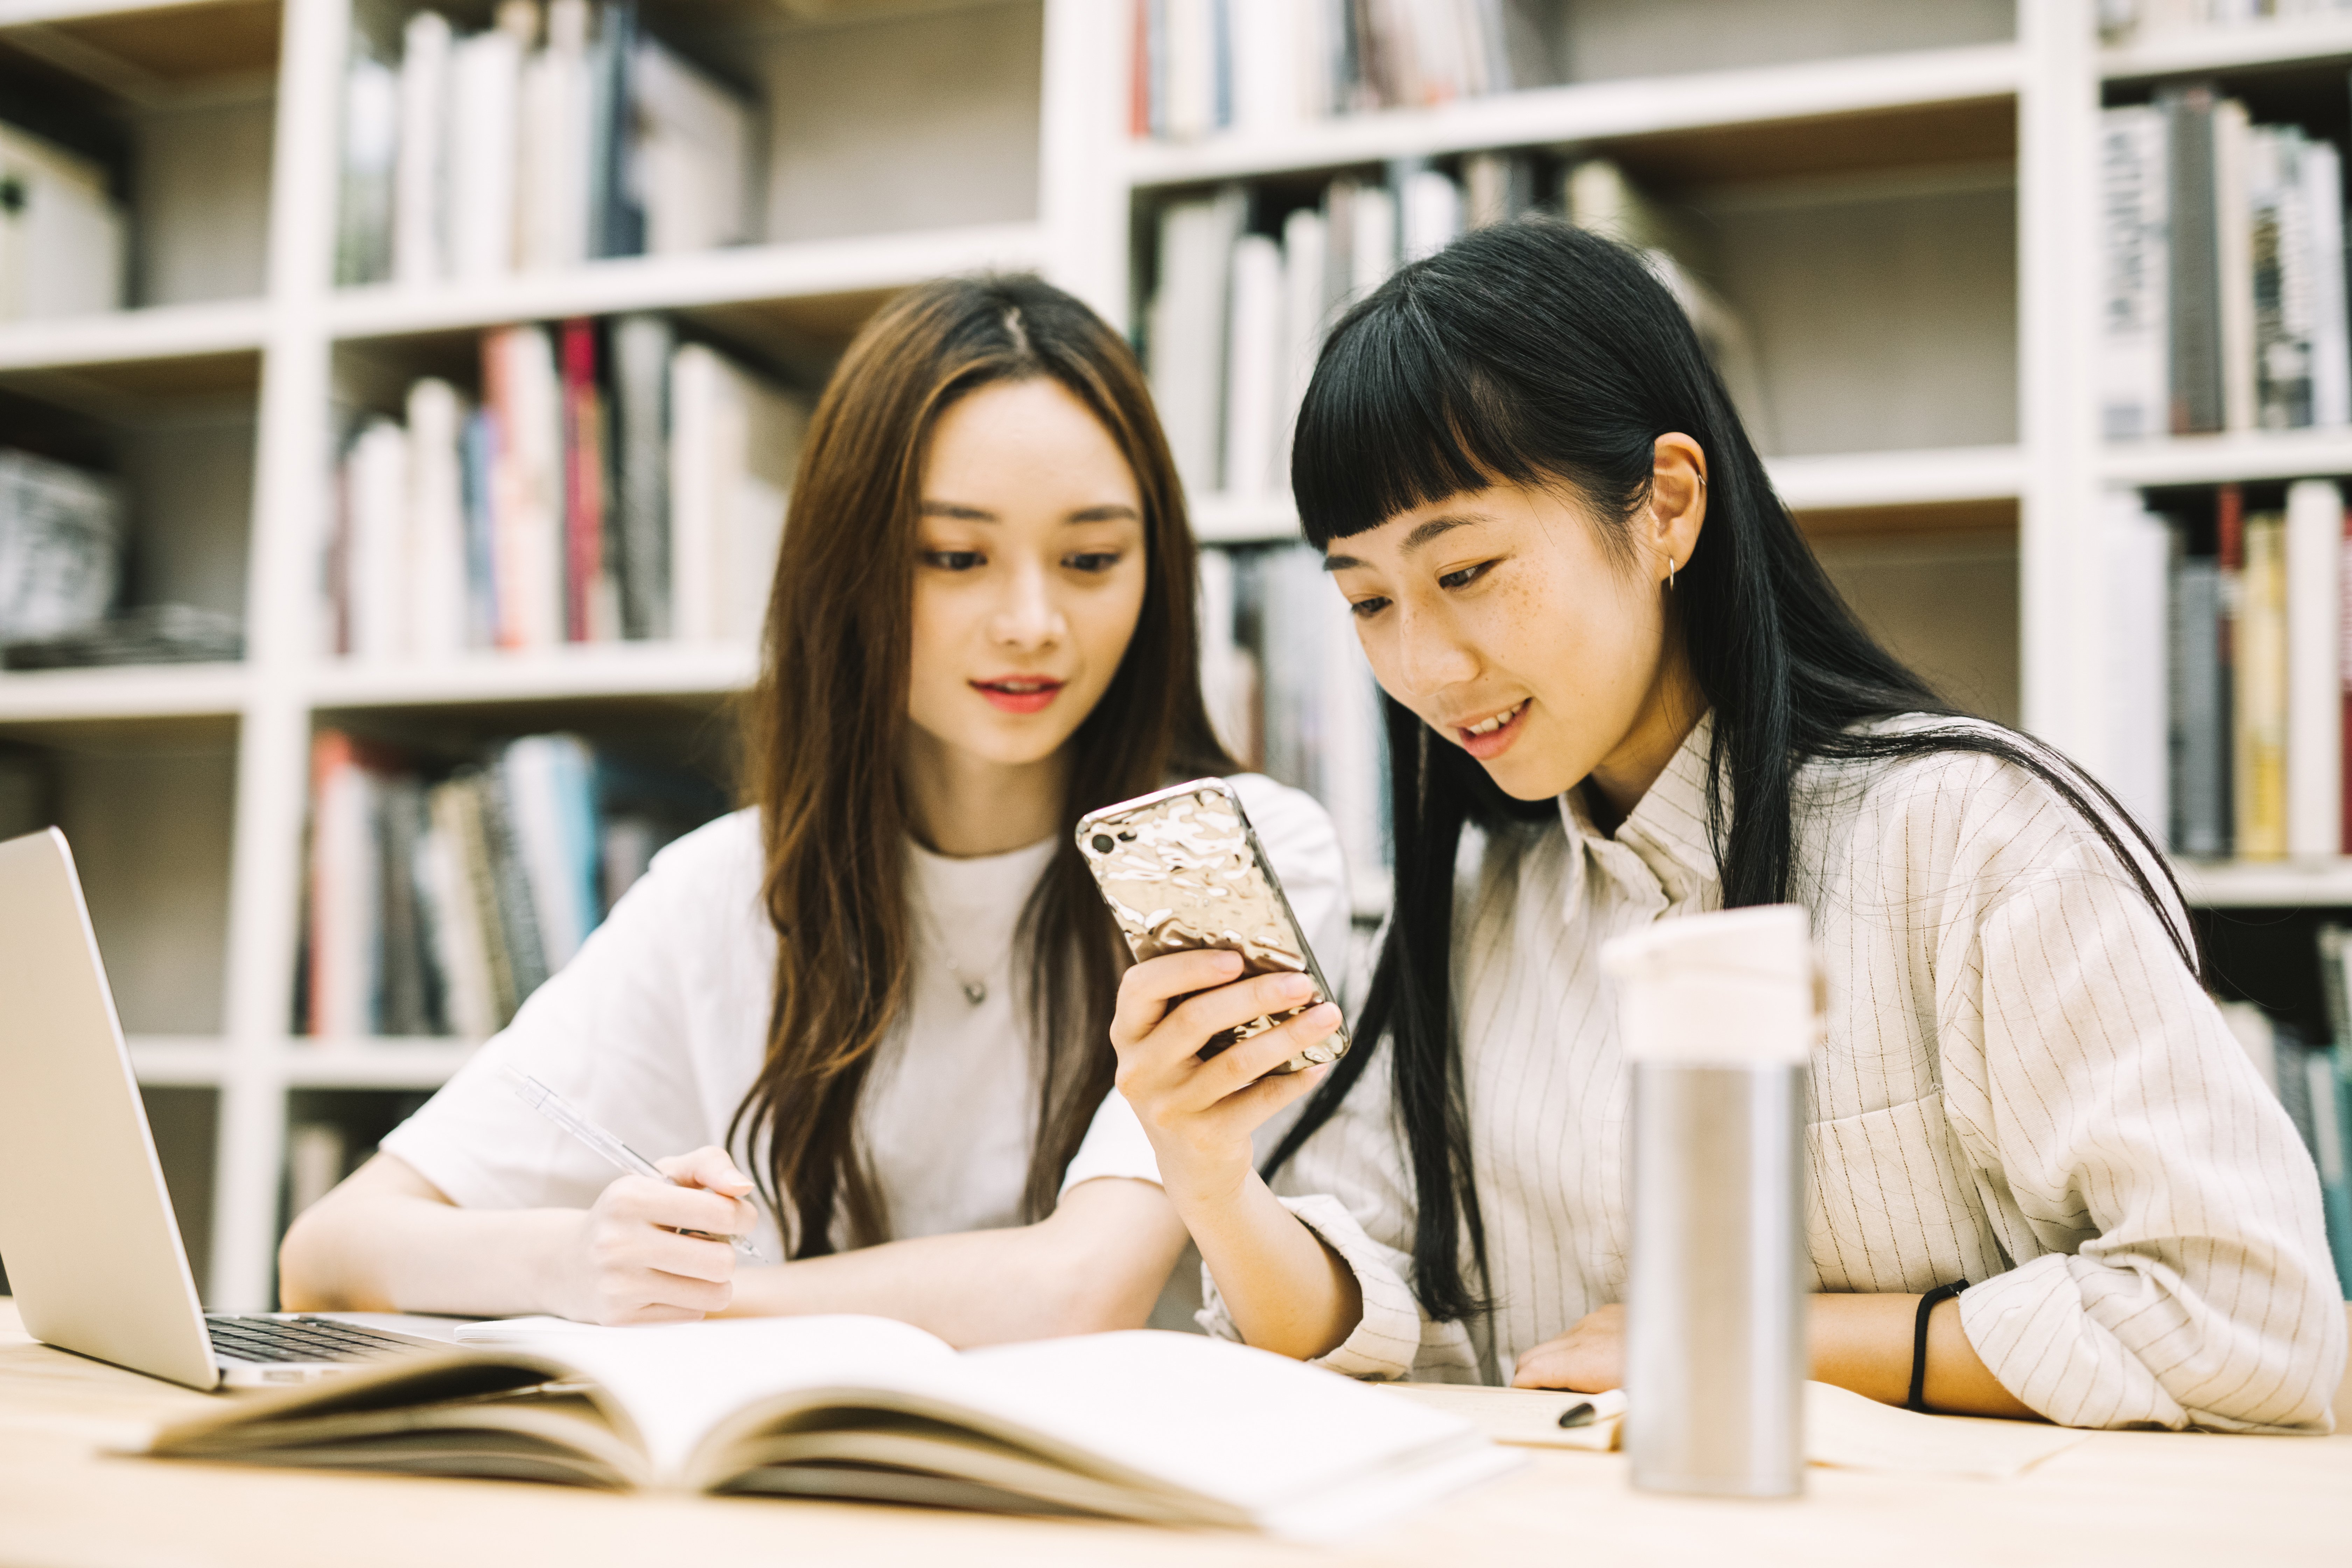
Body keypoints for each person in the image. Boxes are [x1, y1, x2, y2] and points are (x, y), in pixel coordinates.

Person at [1108, 219, 2346, 1430]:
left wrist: (1735, 1333)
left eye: (1467, 572)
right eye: (1369, 601)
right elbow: (1372, 1315)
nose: (1425, 664)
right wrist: (1208, 1174)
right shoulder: (1486, 894)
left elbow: (2253, 1316)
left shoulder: (1972, 837)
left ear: (1668, 507)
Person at [280, 275, 1348, 1341]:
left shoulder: (1247, 857)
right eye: (955, 558)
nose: (1033, 622)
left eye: (1090, 560)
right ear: (851, 567)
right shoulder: (729, 887)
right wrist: (572, 1259)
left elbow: (1076, 1291)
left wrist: (688, 1300)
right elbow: (329, 1257)